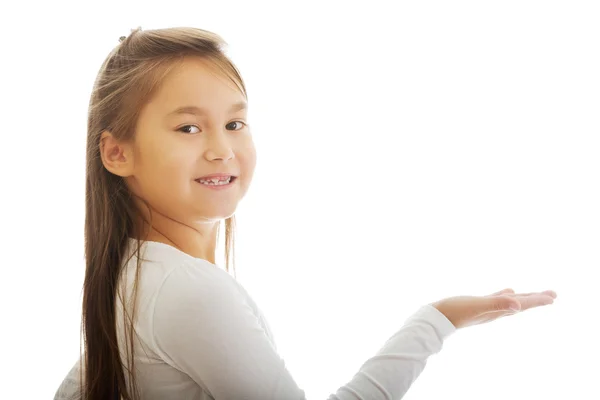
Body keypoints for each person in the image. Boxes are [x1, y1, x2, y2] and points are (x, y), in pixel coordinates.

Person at [53, 26, 557, 400]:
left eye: (234, 123)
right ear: (117, 152)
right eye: (189, 128)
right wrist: (437, 320)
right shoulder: (184, 291)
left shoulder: (135, 274)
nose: (222, 149)